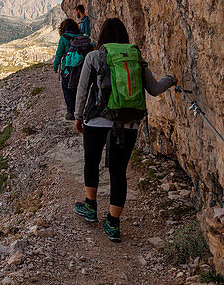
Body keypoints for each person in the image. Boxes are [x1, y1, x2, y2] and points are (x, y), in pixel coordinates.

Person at [72, 17, 176, 242]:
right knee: (118, 172)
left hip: (96, 121)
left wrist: (78, 117)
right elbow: (155, 89)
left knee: (91, 162)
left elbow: (82, 90)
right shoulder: (135, 57)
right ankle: (113, 223)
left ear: (102, 36)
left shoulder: (94, 56)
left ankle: (90, 207)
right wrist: (171, 79)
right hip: (128, 123)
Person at [52, 17, 82, 120]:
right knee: (79, 89)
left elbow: (59, 54)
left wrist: (55, 67)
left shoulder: (64, 38)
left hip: (67, 69)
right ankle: (80, 110)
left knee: (67, 89)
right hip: (80, 68)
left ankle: (71, 112)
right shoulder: (81, 36)